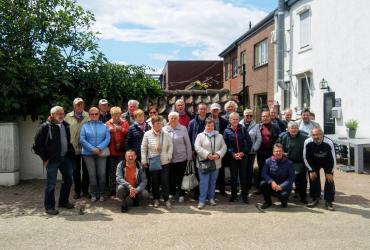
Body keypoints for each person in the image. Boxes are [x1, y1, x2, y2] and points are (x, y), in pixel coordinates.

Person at [33, 106, 75, 215]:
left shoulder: (65, 126)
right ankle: (49, 207)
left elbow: (67, 142)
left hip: (65, 158)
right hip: (52, 160)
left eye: (62, 113)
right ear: (52, 115)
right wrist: (45, 158)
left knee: (69, 181)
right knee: (51, 184)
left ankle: (63, 202)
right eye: (58, 113)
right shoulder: (45, 127)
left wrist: (71, 153)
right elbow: (37, 146)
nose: (61, 115)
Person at [141, 116, 173, 209]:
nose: (159, 124)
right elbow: (143, 148)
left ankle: (167, 199)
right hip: (153, 161)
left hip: (164, 161)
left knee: (165, 181)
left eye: (160, 123)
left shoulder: (166, 134)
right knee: (155, 181)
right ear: (153, 124)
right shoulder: (147, 134)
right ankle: (156, 199)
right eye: (157, 123)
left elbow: (170, 146)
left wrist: (169, 156)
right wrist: (144, 160)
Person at [194, 118, 227, 209]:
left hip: (216, 163)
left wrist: (218, 154)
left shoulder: (219, 136)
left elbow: (224, 147)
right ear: (205, 126)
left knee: (213, 182)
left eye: (212, 125)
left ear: (214, 126)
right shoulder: (200, 136)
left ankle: (211, 198)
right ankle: (201, 200)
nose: (210, 127)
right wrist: (207, 154)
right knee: (204, 182)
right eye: (208, 125)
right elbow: (197, 147)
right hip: (204, 163)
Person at [80, 107, 111, 202]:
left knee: (102, 174)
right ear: (89, 115)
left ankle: (101, 193)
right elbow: (82, 139)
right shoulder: (85, 126)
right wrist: (92, 148)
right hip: (87, 154)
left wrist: (99, 148)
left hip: (101, 152)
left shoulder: (104, 126)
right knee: (92, 175)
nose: (94, 116)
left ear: (98, 115)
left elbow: (107, 138)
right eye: (92, 114)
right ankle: (94, 194)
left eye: (96, 114)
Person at [303, 127, 336, 211]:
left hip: (327, 162)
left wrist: (329, 171)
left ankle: (329, 201)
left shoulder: (329, 142)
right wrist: (311, 170)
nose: (316, 137)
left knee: (329, 180)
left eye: (318, 134)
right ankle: (315, 198)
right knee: (313, 178)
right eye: (313, 135)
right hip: (314, 162)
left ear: (322, 134)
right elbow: (306, 157)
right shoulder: (307, 142)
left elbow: (332, 158)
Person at [223, 112, 253, 203]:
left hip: (243, 157)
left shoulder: (243, 129)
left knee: (243, 176)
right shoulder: (226, 131)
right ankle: (233, 195)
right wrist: (233, 154)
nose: (235, 121)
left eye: (236, 119)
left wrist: (243, 153)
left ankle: (244, 196)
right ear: (230, 120)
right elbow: (225, 145)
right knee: (233, 177)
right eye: (233, 119)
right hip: (233, 158)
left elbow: (249, 143)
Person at [64, 97, 90, 199]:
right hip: (73, 149)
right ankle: (77, 191)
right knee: (75, 171)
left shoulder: (88, 116)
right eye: (77, 104)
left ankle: (85, 191)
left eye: (81, 104)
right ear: (74, 106)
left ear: (83, 105)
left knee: (86, 171)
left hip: (86, 148)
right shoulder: (67, 117)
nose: (79, 106)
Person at [277, 121, 308, 204]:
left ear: (298, 129)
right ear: (288, 129)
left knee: (302, 181)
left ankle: (303, 197)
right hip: (286, 163)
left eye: (295, 128)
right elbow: (277, 148)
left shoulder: (304, 137)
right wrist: (283, 154)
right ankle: (283, 196)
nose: (293, 130)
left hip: (300, 163)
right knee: (285, 180)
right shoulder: (282, 136)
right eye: (292, 128)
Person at [164, 112, 192, 203]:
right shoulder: (164, 129)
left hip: (181, 158)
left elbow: (188, 144)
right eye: (171, 118)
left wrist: (189, 157)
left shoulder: (183, 128)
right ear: (168, 119)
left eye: (175, 118)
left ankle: (181, 194)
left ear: (178, 119)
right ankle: (172, 192)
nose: (173, 119)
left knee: (181, 178)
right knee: (170, 177)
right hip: (169, 159)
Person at [260, 143, 295, 209]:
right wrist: (271, 182)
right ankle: (268, 202)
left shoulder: (289, 163)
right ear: (273, 152)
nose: (278, 153)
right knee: (262, 184)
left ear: (283, 152)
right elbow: (264, 174)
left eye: (280, 151)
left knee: (283, 196)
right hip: (272, 185)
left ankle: (284, 202)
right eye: (276, 151)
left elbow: (291, 178)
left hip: (284, 187)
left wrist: (281, 186)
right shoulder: (268, 161)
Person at [125, 109, 151, 191]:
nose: (141, 118)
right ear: (135, 118)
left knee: (148, 173)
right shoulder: (132, 128)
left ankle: (147, 189)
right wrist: (130, 154)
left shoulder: (149, 126)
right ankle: (137, 190)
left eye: (142, 116)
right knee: (138, 173)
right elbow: (127, 142)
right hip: (136, 155)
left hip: (148, 154)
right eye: (139, 116)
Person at [105, 106, 129, 196]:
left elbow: (129, 133)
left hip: (122, 151)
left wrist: (121, 129)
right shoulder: (107, 123)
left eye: (117, 114)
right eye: (113, 115)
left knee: (122, 171)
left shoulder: (125, 123)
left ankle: (121, 189)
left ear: (120, 114)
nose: (115, 117)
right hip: (111, 151)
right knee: (112, 171)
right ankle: (112, 189)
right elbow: (103, 134)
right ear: (111, 115)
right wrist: (108, 130)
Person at [256, 110, 281, 193]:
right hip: (261, 152)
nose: (265, 118)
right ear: (261, 117)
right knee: (262, 170)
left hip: (271, 152)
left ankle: (272, 187)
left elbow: (279, 139)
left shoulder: (275, 127)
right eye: (263, 116)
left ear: (270, 117)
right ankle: (261, 188)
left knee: (272, 169)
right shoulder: (258, 127)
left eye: (267, 116)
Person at [188, 103, 208, 199]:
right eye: (201, 109)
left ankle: (205, 192)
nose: (202, 111)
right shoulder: (192, 122)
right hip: (196, 152)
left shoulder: (209, 122)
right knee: (196, 172)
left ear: (206, 110)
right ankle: (197, 192)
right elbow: (189, 136)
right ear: (198, 110)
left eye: (204, 109)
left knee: (206, 171)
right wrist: (191, 149)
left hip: (207, 152)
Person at [208, 103, 228, 196]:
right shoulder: (207, 120)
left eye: (217, 109)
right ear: (210, 110)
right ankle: (211, 189)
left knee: (221, 169)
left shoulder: (224, 121)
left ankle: (222, 189)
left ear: (219, 110)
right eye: (213, 109)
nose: (215, 111)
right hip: (209, 147)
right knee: (209, 168)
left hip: (220, 147)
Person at [240, 109, 262, 191]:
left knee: (249, 169)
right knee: (242, 169)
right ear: (243, 115)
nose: (249, 117)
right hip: (241, 151)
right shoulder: (239, 124)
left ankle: (248, 186)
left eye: (251, 115)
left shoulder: (256, 126)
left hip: (251, 152)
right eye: (247, 115)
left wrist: (254, 148)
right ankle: (242, 186)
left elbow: (259, 139)